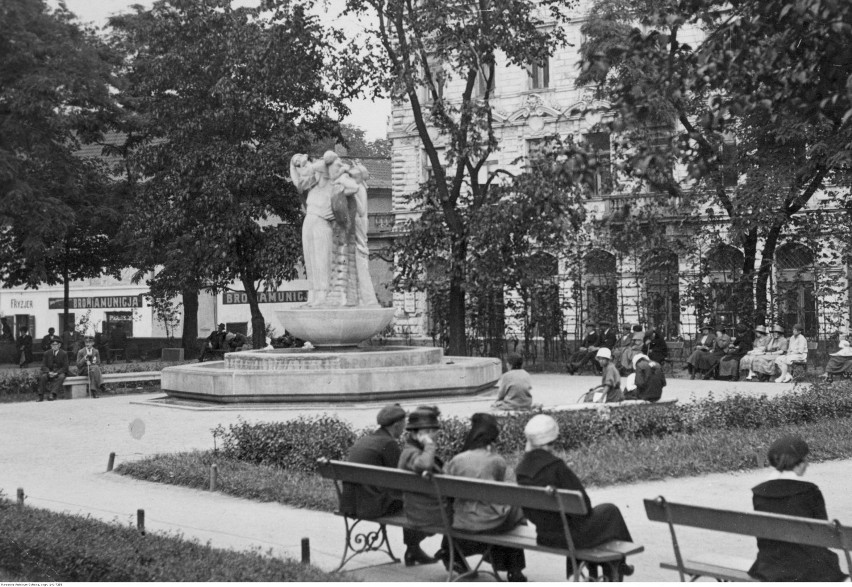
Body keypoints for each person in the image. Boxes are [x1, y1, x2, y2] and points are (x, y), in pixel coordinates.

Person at [516, 415, 634, 580]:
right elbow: (584, 506)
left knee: (573, 522)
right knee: (610, 511)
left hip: (544, 535)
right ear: (552, 439)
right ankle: (617, 565)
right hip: (569, 537)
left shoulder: (521, 469)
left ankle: (578, 572)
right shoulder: (555, 466)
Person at [340, 404, 436, 567]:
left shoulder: (366, 439)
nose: (405, 428)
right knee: (418, 502)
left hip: (352, 504)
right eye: (404, 423)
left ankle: (414, 549)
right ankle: (413, 548)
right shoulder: (388, 444)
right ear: (397, 425)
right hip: (372, 506)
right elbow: (402, 479)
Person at [748, 435, 847, 582]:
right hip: (808, 569)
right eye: (805, 460)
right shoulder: (810, 492)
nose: (807, 464)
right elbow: (824, 536)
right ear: (797, 463)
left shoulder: (759, 493)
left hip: (769, 566)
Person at [445, 413, 528, 581]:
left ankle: (450, 553)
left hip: (461, 521)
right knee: (516, 510)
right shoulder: (497, 461)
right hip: (490, 522)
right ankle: (515, 568)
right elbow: (508, 490)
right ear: (492, 441)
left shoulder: (456, 460)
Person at [398, 406, 471, 575]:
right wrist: (429, 445)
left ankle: (451, 554)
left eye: (434, 430)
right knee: (470, 514)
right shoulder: (413, 453)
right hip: (432, 514)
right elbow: (424, 465)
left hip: (420, 509)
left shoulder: (412, 451)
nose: (435, 434)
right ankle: (452, 555)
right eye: (430, 431)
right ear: (417, 434)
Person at [290, 151, 346, 307]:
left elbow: (325, 163)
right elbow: (299, 183)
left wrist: (305, 161)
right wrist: (296, 163)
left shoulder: (328, 173)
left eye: (302, 164)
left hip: (322, 223)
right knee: (311, 262)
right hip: (309, 221)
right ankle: (313, 295)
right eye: (297, 166)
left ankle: (323, 295)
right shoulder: (313, 186)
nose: (301, 167)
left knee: (321, 261)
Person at [38, 336, 70, 402]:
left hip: (59, 372)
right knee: (43, 377)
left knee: (61, 377)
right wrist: (48, 372)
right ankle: (40, 396)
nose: (54, 346)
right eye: (52, 344)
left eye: (56, 344)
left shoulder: (64, 353)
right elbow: (43, 365)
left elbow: (65, 367)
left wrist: (57, 373)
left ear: (59, 345)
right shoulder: (47, 353)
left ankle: (52, 394)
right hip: (49, 372)